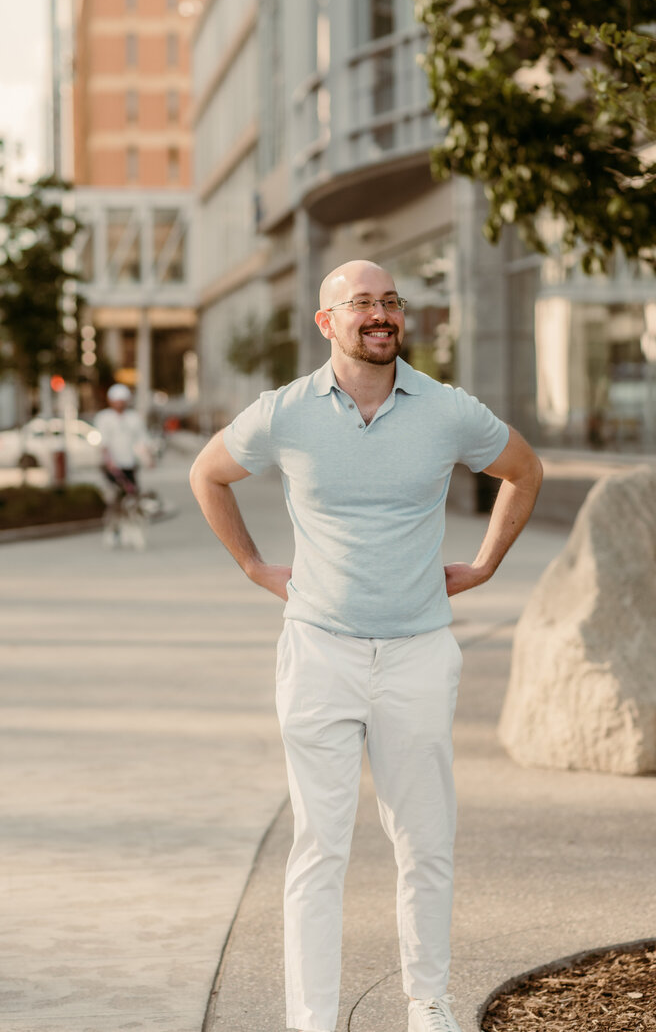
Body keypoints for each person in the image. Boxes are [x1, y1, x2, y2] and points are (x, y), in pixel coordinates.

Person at [189, 259, 543, 1032]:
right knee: (320, 846)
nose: (379, 315)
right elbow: (207, 474)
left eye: (391, 302)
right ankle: (312, 1019)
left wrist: (485, 563)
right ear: (327, 322)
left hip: (418, 651)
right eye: (361, 304)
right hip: (318, 651)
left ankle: (428, 1003)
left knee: (425, 839)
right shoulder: (283, 413)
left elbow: (523, 469)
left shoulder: (447, 409)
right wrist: (253, 565)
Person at [94, 384, 154, 545]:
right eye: (117, 401)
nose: (120, 404)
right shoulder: (104, 418)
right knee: (113, 499)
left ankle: (131, 529)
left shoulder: (134, 418)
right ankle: (113, 529)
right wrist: (109, 461)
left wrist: (148, 458)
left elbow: (142, 440)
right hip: (111, 467)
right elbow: (103, 443)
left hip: (130, 465)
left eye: (122, 401)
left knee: (132, 499)